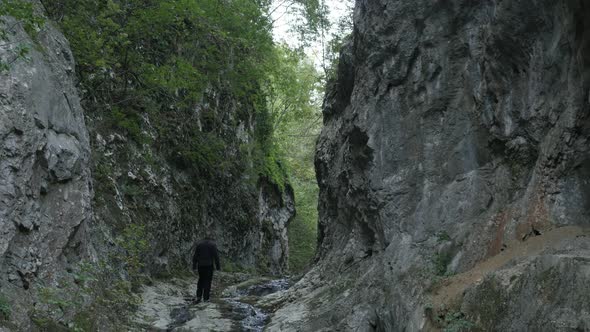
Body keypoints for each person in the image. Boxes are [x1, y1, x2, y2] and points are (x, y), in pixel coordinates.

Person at [192, 237, 221, 303]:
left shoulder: (199, 244)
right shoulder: (212, 245)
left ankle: (198, 297)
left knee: (201, 280)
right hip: (209, 265)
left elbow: (195, 256)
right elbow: (216, 257)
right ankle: (206, 298)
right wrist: (218, 268)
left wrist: (194, 267)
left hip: (200, 265)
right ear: (210, 239)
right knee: (208, 281)